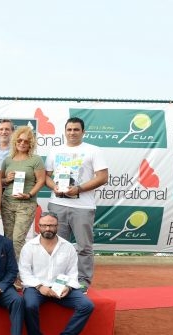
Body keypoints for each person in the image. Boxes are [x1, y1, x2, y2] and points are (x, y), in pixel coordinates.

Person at [46, 117, 109, 291]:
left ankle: (83, 282)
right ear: (65, 131)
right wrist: (55, 187)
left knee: (84, 247)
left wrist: (79, 189)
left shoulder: (93, 151)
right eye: (69, 129)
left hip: (83, 206)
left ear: (83, 132)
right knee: (58, 246)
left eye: (76, 129)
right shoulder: (55, 151)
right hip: (57, 204)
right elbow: (46, 176)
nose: (72, 132)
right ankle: (59, 280)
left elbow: (103, 177)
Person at [20, 211, 95, 335]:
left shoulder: (68, 247)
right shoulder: (29, 247)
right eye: (44, 225)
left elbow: (73, 272)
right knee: (29, 305)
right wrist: (40, 286)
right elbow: (24, 273)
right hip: (36, 288)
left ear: (57, 226)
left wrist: (67, 287)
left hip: (61, 288)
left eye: (51, 225)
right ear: (39, 226)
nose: (48, 228)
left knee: (87, 305)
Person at [1, 125, 46, 259]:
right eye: (19, 140)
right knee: (8, 239)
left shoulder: (36, 159)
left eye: (26, 141)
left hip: (26, 204)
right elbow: (0, 181)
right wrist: (7, 179)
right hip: (7, 203)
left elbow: (41, 181)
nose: (22, 143)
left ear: (31, 143)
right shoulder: (8, 160)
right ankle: (9, 272)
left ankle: (20, 273)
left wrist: (29, 194)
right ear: (15, 141)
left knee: (17, 240)